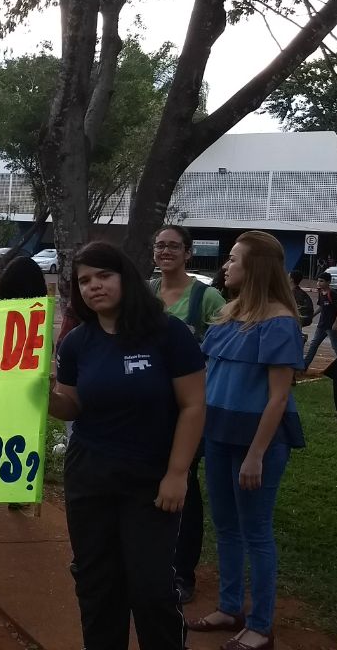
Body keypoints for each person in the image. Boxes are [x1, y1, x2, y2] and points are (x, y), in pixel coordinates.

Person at [50, 241, 206, 650]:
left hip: (151, 479)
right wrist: (45, 396)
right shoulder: (77, 343)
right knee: (96, 583)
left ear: (126, 278)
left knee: (151, 587)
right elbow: (71, 406)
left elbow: (193, 406)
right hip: (89, 475)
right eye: (84, 280)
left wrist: (177, 474)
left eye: (104, 275)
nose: (94, 286)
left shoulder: (168, 334)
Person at [187, 231, 304, 650]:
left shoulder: (280, 322)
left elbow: (279, 397)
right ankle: (230, 606)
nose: (226, 265)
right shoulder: (229, 313)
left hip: (257, 443)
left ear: (254, 268)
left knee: (256, 531)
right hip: (218, 434)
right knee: (225, 527)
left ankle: (260, 625)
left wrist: (256, 454)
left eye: (234, 259)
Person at [150, 226, 227, 604]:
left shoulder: (207, 297)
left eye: (173, 246)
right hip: (147, 407)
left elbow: (224, 347)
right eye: (160, 246)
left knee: (184, 486)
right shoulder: (145, 292)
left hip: (189, 408)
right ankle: (150, 561)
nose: (165, 251)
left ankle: (182, 573)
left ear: (188, 253)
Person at [303, 271, 337, 367]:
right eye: (318, 281)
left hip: (331, 326)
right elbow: (321, 307)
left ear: (328, 282)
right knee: (313, 345)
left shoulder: (333, 293)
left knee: (336, 347)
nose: (319, 283)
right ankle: (305, 365)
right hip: (321, 325)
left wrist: (336, 322)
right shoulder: (321, 292)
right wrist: (312, 316)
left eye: (321, 281)